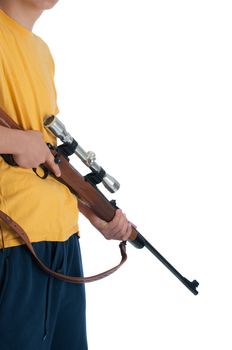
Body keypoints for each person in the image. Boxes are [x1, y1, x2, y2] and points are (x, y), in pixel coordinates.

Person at [0, 1, 132, 349]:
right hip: (14, 242)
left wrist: (92, 214)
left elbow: (52, 162)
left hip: (64, 243)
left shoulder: (41, 52)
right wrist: (13, 139)